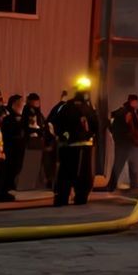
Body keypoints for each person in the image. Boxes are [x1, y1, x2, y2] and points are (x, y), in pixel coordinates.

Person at [50, 78, 98, 206]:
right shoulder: (89, 109)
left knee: (65, 173)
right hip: (84, 147)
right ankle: (81, 198)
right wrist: (90, 135)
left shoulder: (66, 107)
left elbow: (55, 122)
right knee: (84, 174)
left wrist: (64, 136)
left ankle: (61, 198)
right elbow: (96, 125)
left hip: (68, 147)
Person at [106, 94, 138, 192]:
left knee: (132, 165)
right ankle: (112, 185)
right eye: (134, 101)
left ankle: (133, 185)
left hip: (132, 144)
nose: (136, 103)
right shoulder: (125, 112)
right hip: (126, 144)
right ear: (131, 101)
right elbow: (116, 128)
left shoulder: (135, 112)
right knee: (120, 164)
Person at [0, 94, 26, 201]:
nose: (22, 104)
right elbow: (8, 133)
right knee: (7, 170)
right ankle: (1, 192)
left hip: (18, 149)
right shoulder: (8, 118)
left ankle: (5, 190)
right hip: (10, 149)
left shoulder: (21, 117)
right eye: (20, 102)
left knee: (14, 170)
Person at [23, 92, 50, 189]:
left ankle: (35, 184)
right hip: (33, 139)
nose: (37, 103)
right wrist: (40, 131)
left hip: (36, 139)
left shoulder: (36, 112)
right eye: (35, 101)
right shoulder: (30, 111)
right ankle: (30, 184)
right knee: (33, 162)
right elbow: (32, 126)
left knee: (37, 163)